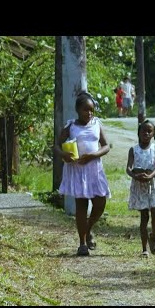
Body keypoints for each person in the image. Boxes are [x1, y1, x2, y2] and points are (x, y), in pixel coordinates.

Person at [55, 91, 111, 256]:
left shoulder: (96, 124)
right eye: (86, 110)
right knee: (81, 205)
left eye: (92, 110)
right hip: (78, 170)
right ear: (78, 110)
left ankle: (88, 228)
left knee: (100, 202)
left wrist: (94, 155)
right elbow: (56, 145)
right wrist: (64, 154)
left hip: (94, 169)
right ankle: (82, 243)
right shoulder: (71, 126)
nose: (89, 113)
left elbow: (106, 146)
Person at [126, 120, 155, 257]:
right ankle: (144, 249)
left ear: (154, 134)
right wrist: (135, 176)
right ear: (138, 132)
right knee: (144, 216)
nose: (146, 133)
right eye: (144, 131)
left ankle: (153, 236)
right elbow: (128, 168)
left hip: (153, 185)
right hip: (139, 186)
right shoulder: (133, 150)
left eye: (150, 131)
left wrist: (150, 176)